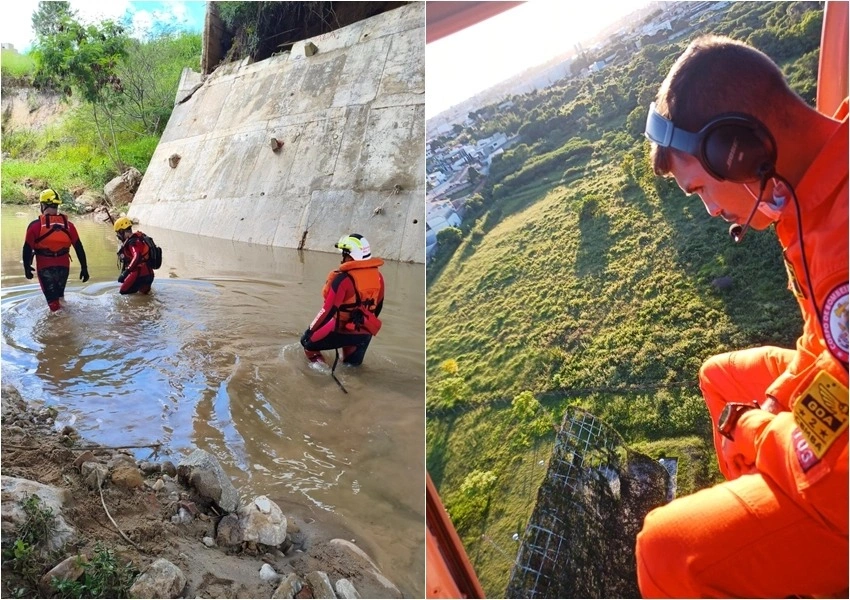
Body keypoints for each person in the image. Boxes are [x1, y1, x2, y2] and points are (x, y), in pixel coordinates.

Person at [636, 35, 848, 598]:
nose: (711, 209)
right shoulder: (812, 193)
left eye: (701, 189)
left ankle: (770, 537)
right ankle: (766, 533)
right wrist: (777, 401)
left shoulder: (841, 243)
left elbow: (840, 476)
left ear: (738, 149)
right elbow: (823, 337)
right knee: (722, 378)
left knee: (663, 552)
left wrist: (759, 433)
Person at [300, 233, 385, 367]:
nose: (342, 259)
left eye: (344, 254)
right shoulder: (378, 277)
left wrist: (309, 332)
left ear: (350, 255)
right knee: (352, 369)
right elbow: (378, 307)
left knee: (308, 345)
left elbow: (327, 311)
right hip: (364, 333)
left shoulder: (343, 279)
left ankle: (322, 371)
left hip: (340, 330)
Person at [22, 188, 89, 311]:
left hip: (45, 267)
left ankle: (62, 322)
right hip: (64, 267)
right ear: (57, 205)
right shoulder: (69, 226)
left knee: (53, 306)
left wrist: (27, 267)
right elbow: (79, 247)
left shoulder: (35, 226)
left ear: (42, 205)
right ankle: (67, 316)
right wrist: (84, 268)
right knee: (60, 297)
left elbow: (27, 248)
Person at [114, 217, 154, 295]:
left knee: (122, 293)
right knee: (144, 297)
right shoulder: (139, 238)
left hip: (139, 274)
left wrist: (125, 273)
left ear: (121, 231)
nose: (118, 236)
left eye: (118, 233)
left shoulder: (132, 242)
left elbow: (137, 256)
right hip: (149, 274)